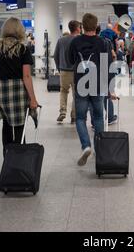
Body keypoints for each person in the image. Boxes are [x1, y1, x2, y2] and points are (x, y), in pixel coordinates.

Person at [0, 17, 39, 157]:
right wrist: (33, 98)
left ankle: (7, 160)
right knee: (20, 127)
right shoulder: (23, 48)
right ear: (20, 30)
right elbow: (26, 76)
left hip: (1, 90)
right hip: (19, 90)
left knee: (7, 125)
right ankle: (20, 162)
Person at [69, 13, 116, 166]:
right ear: (96, 26)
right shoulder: (103, 42)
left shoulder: (75, 41)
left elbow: (70, 61)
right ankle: (99, 149)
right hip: (99, 84)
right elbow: (108, 66)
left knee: (81, 118)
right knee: (98, 118)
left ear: (82, 26)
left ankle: (86, 146)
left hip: (81, 84)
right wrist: (110, 88)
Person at [54, 20, 81, 124]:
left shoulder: (61, 40)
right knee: (76, 94)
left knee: (63, 91)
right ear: (77, 28)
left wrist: (59, 68)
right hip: (76, 72)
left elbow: (56, 55)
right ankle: (74, 116)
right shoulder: (79, 40)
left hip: (64, 71)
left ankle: (62, 112)